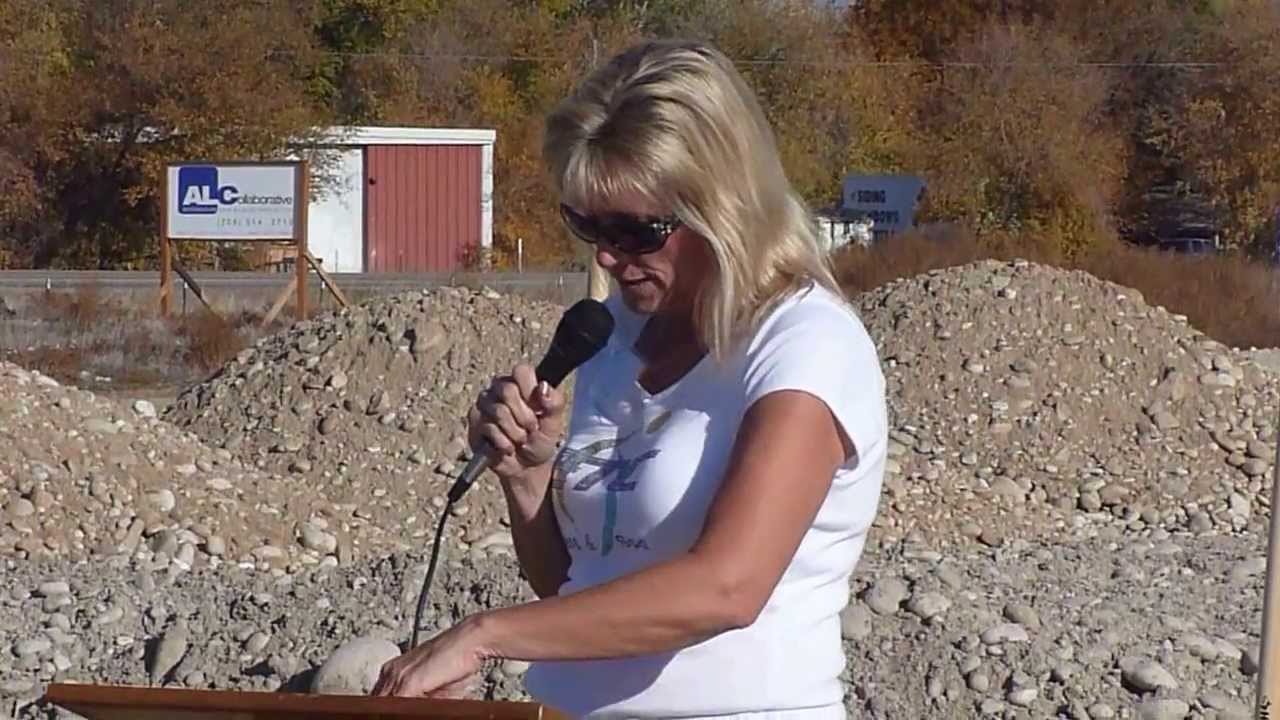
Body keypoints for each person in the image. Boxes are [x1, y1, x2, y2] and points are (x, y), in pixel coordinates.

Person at [372, 38, 888, 719]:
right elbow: (579, 590)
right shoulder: (613, 338)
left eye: (637, 231)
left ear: (723, 206)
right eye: (586, 225)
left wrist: (482, 635)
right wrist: (528, 482)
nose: (609, 256)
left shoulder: (805, 345)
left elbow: (728, 588)